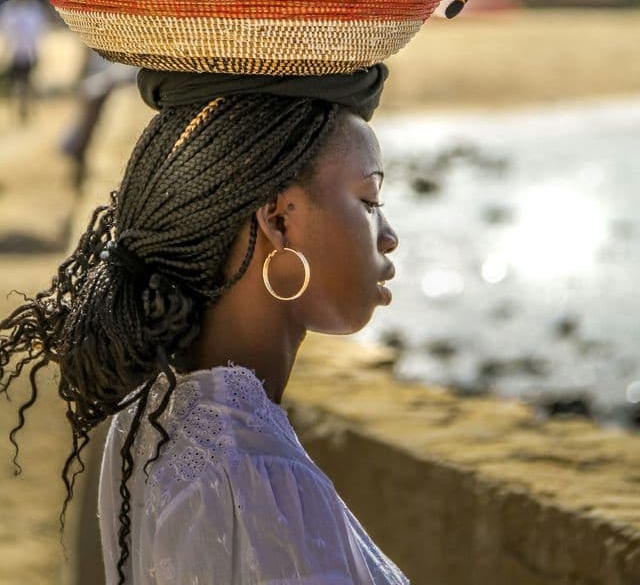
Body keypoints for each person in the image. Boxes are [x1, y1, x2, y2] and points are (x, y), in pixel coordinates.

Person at [0, 64, 410, 585]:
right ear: (279, 220)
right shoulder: (258, 475)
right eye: (369, 201)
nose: (389, 235)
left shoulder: (151, 418)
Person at [0, 0, 48, 122]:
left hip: (30, 53)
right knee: (15, 84)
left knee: (29, 82)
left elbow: (39, 32)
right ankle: (17, 110)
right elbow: (7, 33)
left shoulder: (34, 10)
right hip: (15, 53)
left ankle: (28, 109)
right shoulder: (9, 10)